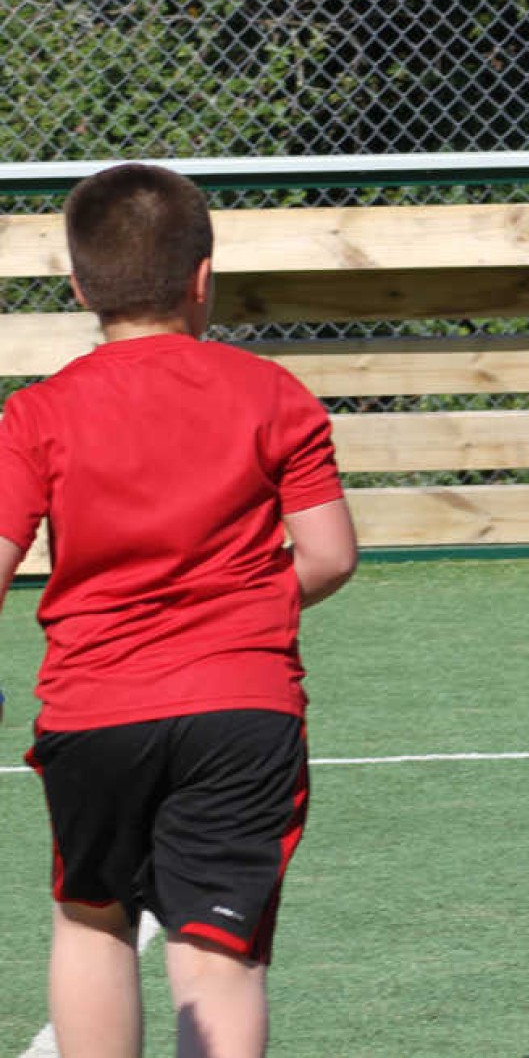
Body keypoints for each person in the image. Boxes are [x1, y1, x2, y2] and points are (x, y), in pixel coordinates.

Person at [0, 163, 359, 1057]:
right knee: (217, 957)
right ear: (204, 277)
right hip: (244, 707)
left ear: (81, 286)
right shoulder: (274, 394)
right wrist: (237, 610)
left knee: (92, 922)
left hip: (94, 711)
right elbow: (329, 556)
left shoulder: (36, 414)